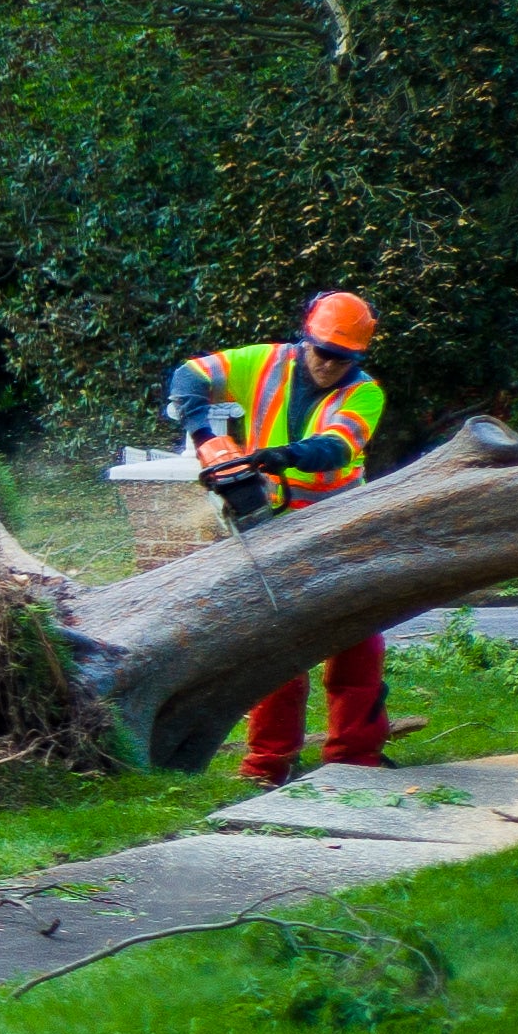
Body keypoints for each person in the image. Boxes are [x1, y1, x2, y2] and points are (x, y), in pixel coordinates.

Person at [163, 291, 389, 781]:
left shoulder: (366, 392)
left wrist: (277, 457)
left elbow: (336, 447)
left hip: (341, 524)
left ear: (358, 357)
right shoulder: (266, 362)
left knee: (357, 646)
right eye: (323, 351)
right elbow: (190, 375)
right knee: (277, 647)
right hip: (271, 525)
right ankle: (267, 764)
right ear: (306, 338)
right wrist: (205, 436)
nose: (330, 364)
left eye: (342, 358)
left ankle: (355, 760)